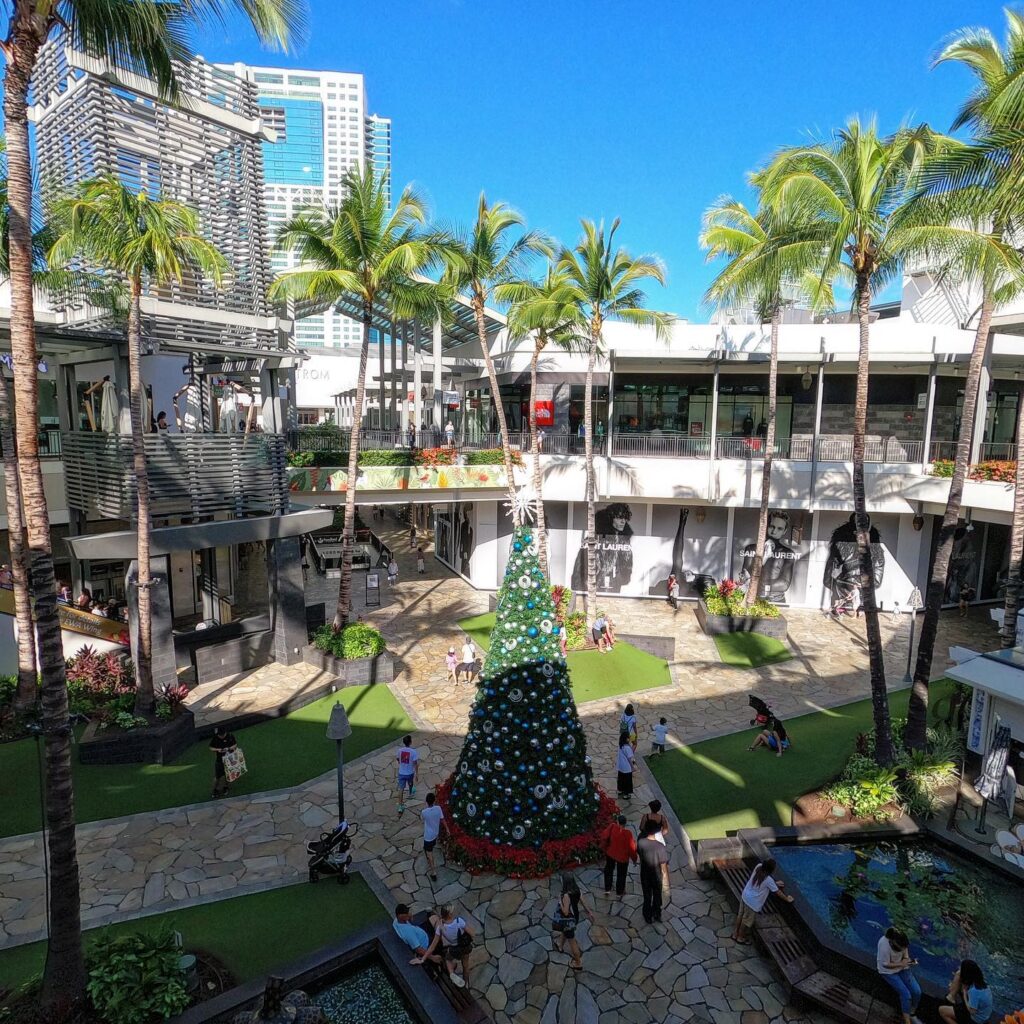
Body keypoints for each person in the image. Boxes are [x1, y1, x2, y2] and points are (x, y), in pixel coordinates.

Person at [732, 858, 793, 943]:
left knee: (740, 915)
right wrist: (787, 899)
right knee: (746, 921)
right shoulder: (768, 880)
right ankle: (740, 937)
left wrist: (775, 883)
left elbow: (764, 883)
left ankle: (735, 934)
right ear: (771, 870)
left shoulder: (758, 866)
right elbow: (777, 892)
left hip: (745, 895)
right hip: (752, 903)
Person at [418, 904, 474, 988]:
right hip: (465, 947)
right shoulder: (459, 922)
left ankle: (451, 973)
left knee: (448, 959)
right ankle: (466, 984)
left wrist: (423, 958)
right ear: (450, 914)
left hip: (454, 949)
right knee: (465, 965)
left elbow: (433, 946)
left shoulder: (440, 927)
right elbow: (473, 934)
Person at [877, 927, 923, 1024]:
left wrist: (906, 959)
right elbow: (885, 964)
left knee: (917, 991)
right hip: (888, 971)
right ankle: (907, 1021)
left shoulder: (901, 939)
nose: (903, 949)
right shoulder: (884, 946)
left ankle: (912, 1013)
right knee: (906, 994)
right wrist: (901, 964)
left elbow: (905, 948)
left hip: (902, 967)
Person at [551, 872, 594, 970]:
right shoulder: (577, 890)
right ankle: (560, 945)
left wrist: (559, 901)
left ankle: (578, 962)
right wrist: (589, 912)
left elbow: (565, 912)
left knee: (572, 941)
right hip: (575, 917)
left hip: (568, 920)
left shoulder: (566, 895)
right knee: (566, 931)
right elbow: (583, 901)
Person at [637, 819, 670, 923]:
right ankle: (657, 913)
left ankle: (647, 916)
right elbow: (663, 866)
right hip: (656, 875)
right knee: (657, 895)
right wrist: (666, 880)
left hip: (645, 873)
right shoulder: (660, 846)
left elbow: (639, 855)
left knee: (647, 896)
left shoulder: (641, 842)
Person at [940, 959, 992, 1024]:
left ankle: (950, 999)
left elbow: (972, 1011)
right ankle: (951, 997)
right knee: (958, 974)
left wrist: (964, 993)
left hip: (975, 1020)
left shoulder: (974, 991)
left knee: (942, 1010)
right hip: (983, 1015)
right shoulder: (983, 984)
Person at [600, 814, 637, 896]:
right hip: (622, 857)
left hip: (610, 853)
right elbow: (631, 848)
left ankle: (607, 888)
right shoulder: (628, 834)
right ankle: (619, 892)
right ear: (625, 823)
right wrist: (634, 859)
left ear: (617, 821)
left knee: (608, 870)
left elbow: (604, 836)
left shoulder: (612, 827)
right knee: (621, 874)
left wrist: (604, 847)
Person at [421, 791, 447, 882]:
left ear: (427, 802)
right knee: (428, 848)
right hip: (435, 833)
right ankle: (428, 858)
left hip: (428, 836)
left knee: (429, 853)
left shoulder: (424, 812)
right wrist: (447, 829)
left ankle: (433, 872)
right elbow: (442, 820)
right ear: (434, 800)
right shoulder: (438, 808)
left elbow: (422, 819)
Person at [209, 725, 237, 799]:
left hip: (229, 759)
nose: (220, 736)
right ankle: (215, 790)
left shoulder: (230, 736)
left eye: (221, 735)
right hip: (219, 760)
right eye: (219, 735)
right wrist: (218, 750)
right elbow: (211, 747)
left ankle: (225, 787)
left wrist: (228, 748)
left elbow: (235, 745)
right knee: (217, 777)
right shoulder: (215, 738)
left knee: (228, 774)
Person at [396, 734, 419, 813]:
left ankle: (400, 806)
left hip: (401, 772)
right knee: (410, 783)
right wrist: (417, 773)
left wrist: (401, 764)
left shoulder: (399, 751)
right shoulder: (413, 752)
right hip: (410, 773)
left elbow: (398, 759)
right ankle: (410, 793)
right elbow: (415, 763)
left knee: (401, 789)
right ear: (410, 742)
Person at [616, 732, 635, 799]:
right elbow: (629, 758)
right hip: (626, 767)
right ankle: (626, 794)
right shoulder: (627, 748)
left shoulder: (621, 745)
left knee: (621, 779)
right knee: (627, 781)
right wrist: (632, 767)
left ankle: (620, 790)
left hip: (620, 766)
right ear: (626, 739)